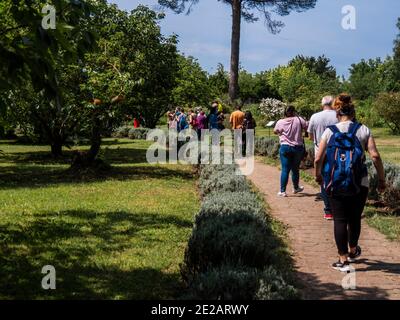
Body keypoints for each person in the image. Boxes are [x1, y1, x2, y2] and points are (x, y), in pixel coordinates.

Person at [314, 94, 386, 272]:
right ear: (353, 113)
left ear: (338, 114)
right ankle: (353, 250)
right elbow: (375, 156)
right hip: (359, 181)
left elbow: (318, 158)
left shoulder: (330, 131)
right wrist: (382, 179)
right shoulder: (363, 130)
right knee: (354, 218)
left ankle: (343, 260)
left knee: (339, 220)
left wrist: (318, 175)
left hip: (335, 180)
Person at [308, 96, 338, 220]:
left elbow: (310, 136)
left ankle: (328, 210)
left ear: (322, 104)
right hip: (336, 151)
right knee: (337, 177)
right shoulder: (338, 115)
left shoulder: (315, 117)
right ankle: (338, 206)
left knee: (324, 180)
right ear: (333, 103)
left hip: (320, 151)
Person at [274, 105, 308, 197]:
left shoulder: (280, 121)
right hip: (297, 147)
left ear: (285, 112)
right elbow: (306, 127)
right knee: (295, 169)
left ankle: (282, 191)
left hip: (285, 147)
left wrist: (281, 132)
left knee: (285, 169)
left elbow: (275, 131)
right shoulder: (299, 119)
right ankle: (296, 187)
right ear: (294, 111)